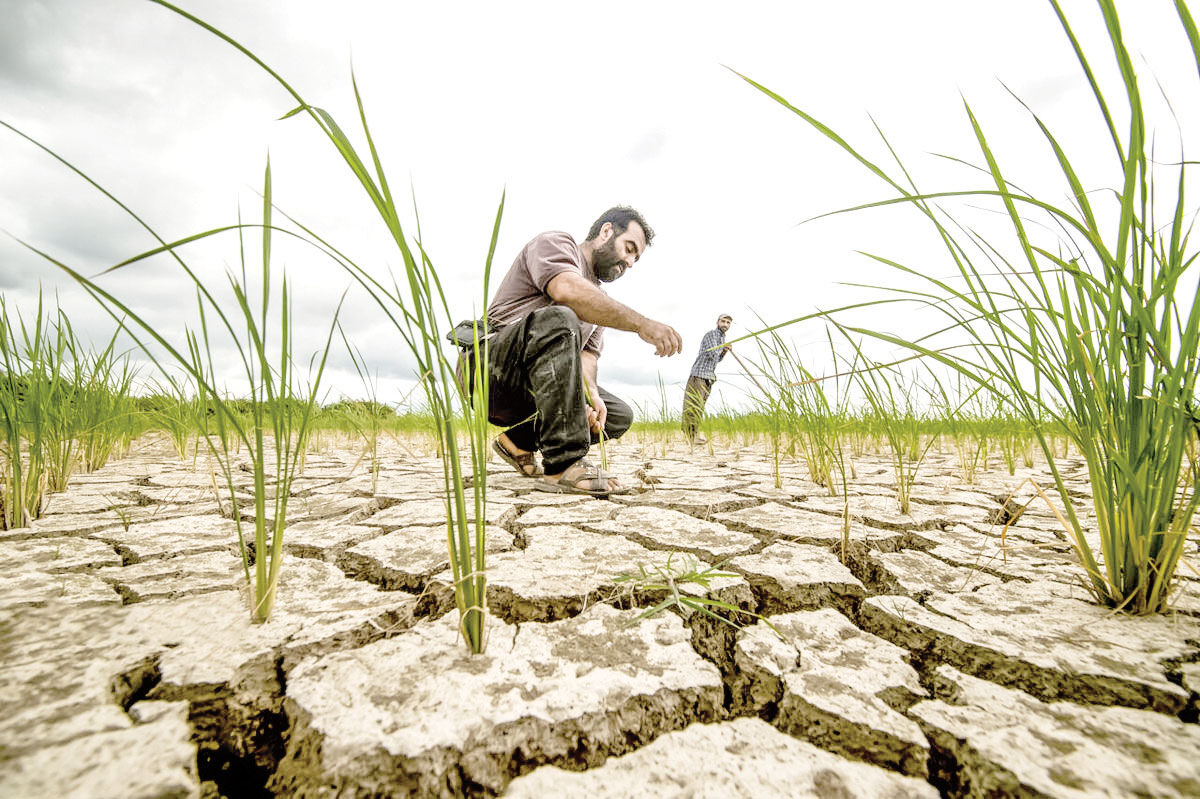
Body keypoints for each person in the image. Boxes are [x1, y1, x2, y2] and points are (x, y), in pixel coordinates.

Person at [476, 206, 682, 496]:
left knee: (617, 414)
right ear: (607, 231)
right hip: (490, 371)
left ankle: (517, 443)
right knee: (561, 316)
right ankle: (563, 464)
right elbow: (566, 290)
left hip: (538, 385)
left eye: (636, 258)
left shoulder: (599, 302)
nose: (630, 262)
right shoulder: (557, 243)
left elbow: (586, 361)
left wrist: (590, 399)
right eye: (629, 248)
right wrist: (641, 324)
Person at [681, 314, 732, 444]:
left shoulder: (721, 338)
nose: (725, 324)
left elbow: (718, 359)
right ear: (717, 322)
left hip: (709, 377)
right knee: (693, 406)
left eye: (728, 322)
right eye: (723, 321)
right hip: (699, 375)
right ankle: (690, 436)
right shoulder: (712, 335)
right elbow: (712, 353)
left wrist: (725, 351)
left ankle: (693, 435)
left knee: (699, 407)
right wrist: (723, 347)